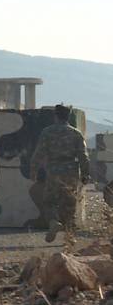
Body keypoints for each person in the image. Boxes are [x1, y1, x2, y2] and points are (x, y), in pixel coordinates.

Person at [30, 104, 90, 243]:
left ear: (56, 116)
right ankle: (69, 237)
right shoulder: (76, 133)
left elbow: (38, 153)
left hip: (53, 169)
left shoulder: (47, 132)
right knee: (69, 203)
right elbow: (83, 156)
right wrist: (86, 174)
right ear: (68, 116)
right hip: (71, 171)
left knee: (49, 201)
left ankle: (53, 222)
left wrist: (33, 170)